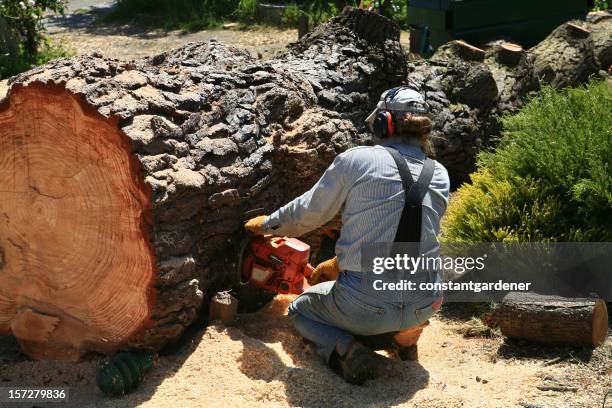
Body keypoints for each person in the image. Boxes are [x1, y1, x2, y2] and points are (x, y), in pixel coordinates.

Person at [245, 87, 450, 385]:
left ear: (384, 123)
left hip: (367, 305)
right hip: (427, 300)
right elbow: (412, 234)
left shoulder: (358, 159)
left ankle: (347, 351)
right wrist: (343, 262)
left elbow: (309, 213)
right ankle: (406, 343)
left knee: (301, 310)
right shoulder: (441, 174)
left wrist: (268, 224)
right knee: (401, 304)